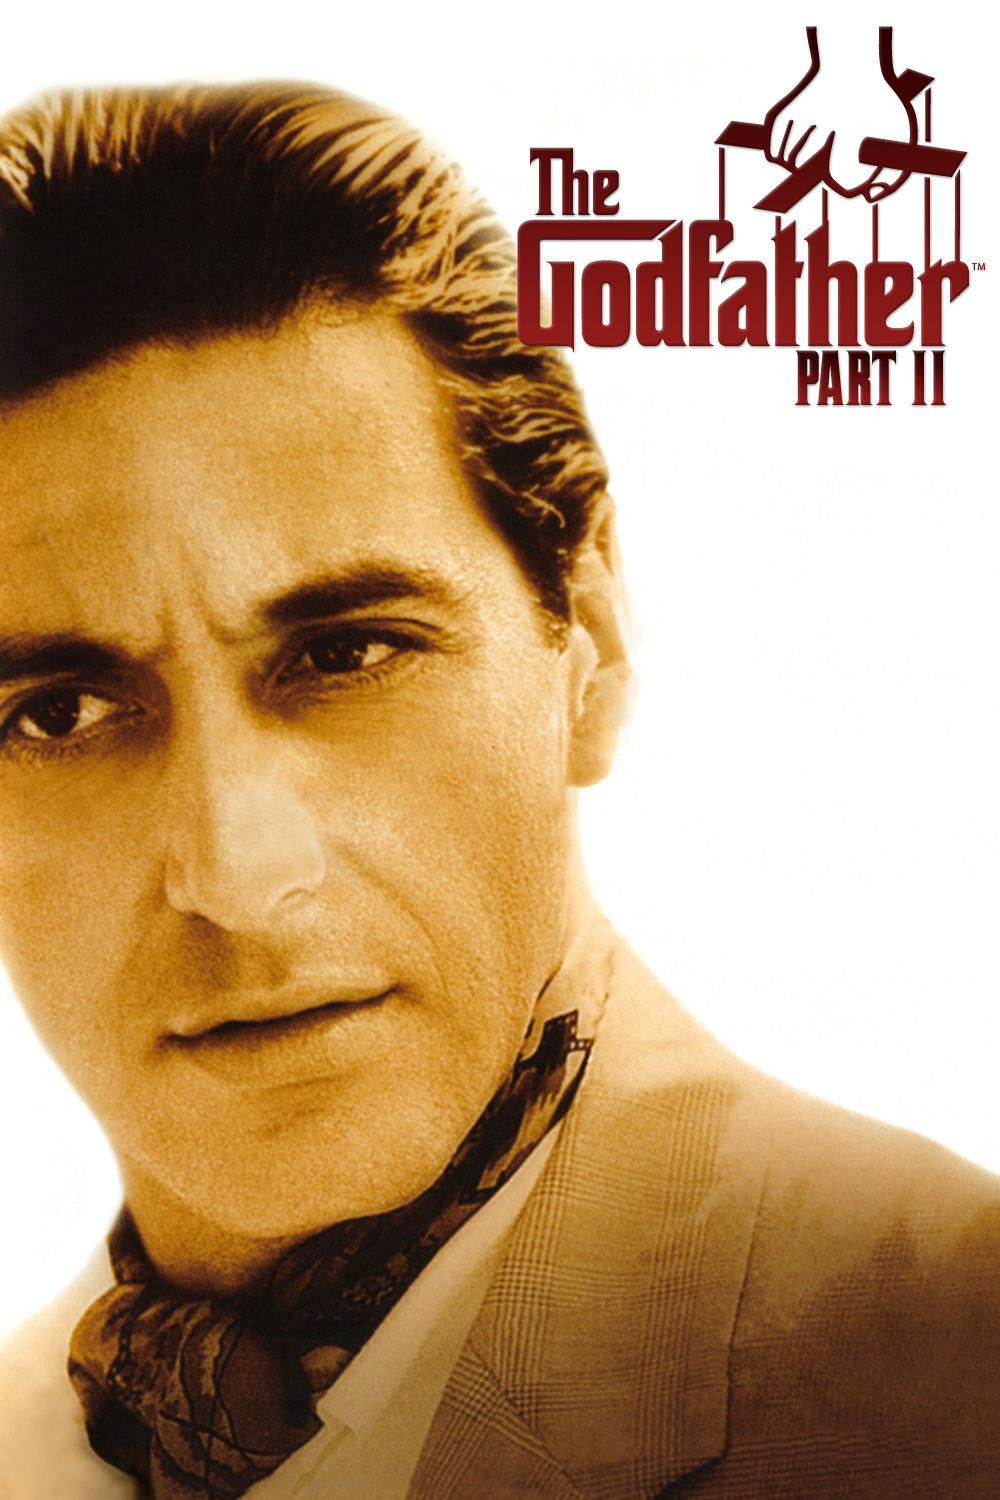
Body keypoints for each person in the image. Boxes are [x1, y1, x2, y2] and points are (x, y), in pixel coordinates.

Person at [0, 80, 996, 1500]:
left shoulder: (951, 1360)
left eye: (346, 652)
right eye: (59, 713)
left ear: (589, 644)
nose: (236, 871)